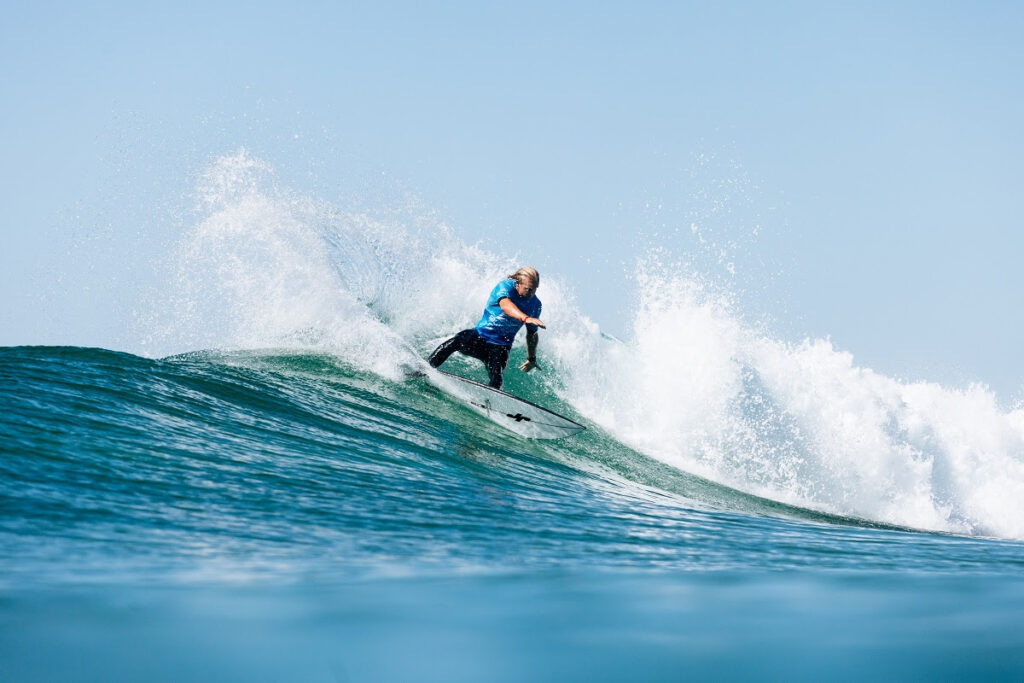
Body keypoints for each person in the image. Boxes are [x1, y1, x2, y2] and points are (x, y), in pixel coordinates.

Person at [428, 266, 545, 390]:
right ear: (518, 283)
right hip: (480, 337)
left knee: (497, 378)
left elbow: (532, 333)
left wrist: (531, 358)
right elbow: (506, 306)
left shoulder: (536, 305)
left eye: (535, 289)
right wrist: (526, 318)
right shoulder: (505, 287)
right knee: (455, 341)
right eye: (528, 289)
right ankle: (425, 368)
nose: (532, 293)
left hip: (500, 347)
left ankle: (491, 399)